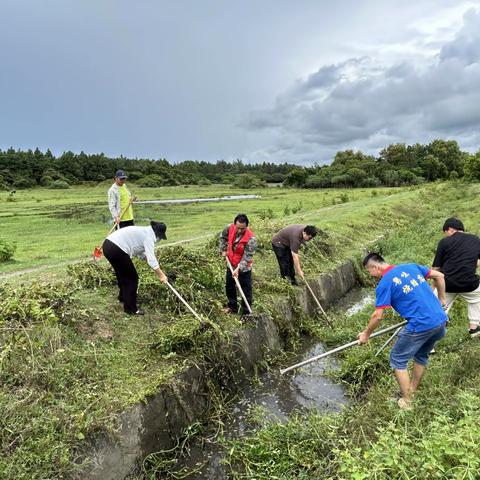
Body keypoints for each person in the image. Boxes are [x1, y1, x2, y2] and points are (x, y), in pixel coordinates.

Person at [359, 252, 447, 409]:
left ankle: (407, 401)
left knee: (398, 359)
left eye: (368, 271)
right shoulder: (410, 266)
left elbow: (378, 316)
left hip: (421, 325)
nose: (369, 274)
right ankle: (412, 390)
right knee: (421, 354)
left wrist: (366, 334)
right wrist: (441, 299)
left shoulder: (385, 283)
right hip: (440, 321)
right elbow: (439, 276)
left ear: (374, 267)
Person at [103, 221, 168, 315]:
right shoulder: (149, 237)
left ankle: (123, 298)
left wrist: (146, 259)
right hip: (117, 248)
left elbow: (138, 249)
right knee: (132, 278)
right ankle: (131, 309)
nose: (159, 239)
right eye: (160, 237)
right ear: (157, 234)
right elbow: (152, 259)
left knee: (122, 274)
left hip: (108, 245)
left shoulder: (144, 231)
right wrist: (161, 275)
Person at [432, 217, 480, 337]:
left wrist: (433, 287)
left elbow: (436, 269)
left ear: (449, 229)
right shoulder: (476, 240)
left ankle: (433, 335)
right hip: (469, 284)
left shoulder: (444, 242)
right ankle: (474, 328)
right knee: (476, 298)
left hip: (446, 284)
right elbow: (478, 262)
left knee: (436, 307)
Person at [219, 214, 257, 315]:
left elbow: (248, 256)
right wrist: (223, 249)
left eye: (242, 228)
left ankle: (246, 312)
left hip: (244, 267)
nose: (239, 230)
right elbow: (223, 238)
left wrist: (239, 268)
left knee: (245, 289)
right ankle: (232, 307)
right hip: (231, 263)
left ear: (246, 226)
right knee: (230, 286)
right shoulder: (229, 228)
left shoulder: (251, 239)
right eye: (238, 228)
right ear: (235, 224)